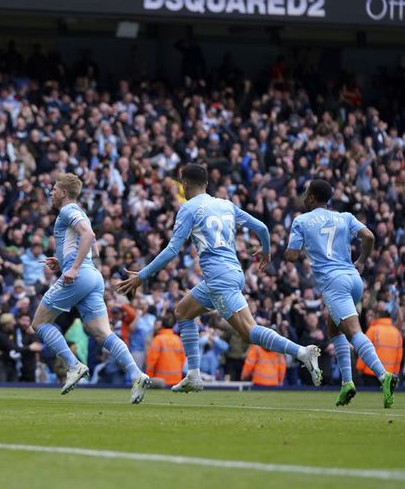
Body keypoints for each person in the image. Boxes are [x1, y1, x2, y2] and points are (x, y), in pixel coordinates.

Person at [118, 164, 322, 394]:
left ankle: (302, 352)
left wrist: (142, 276)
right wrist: (265, 251)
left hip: (218, 279)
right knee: (183, 312)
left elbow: (172, 250)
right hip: (233, 273)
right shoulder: (226, 204)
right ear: (206, 184)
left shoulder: (189, 209)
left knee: (249, 331)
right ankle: (193, 375)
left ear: (184, 184)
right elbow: (263, 228)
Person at [30, 173, 150, 404]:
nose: (52, 193)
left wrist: (73, 268)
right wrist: (62, 262)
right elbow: (90, 247)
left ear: (64, 193)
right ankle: (137, 374)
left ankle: (73, 365)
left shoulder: (68, 210)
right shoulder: (79, 212)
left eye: (55, 189)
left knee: (40, 323)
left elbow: (89, 234)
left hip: (81, 275)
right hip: (92, 276)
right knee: (102, 333)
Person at [285, 179, 398, 408]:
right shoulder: (345, 216)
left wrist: (296, 246)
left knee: (353, 331)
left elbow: (291, 257)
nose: (303, 196)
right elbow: (369, 236)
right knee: (333, 325)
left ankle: (383, 375)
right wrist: (363, 261)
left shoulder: (301, 221)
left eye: (306, 192)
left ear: (311, 198)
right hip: (353, 279)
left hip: (333, 282)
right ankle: (347, 382)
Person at [356, 306, 403, 388]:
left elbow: (364, 351)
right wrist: (395, 371)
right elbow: (399, 357)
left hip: (370, 373)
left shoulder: (373, 330)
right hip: (389, 374)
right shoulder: (397, 333)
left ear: (377, 317)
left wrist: (359, 368)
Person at [145, 314, 185, 387]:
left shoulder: (158, 340)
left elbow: (151, 361)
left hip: (161, 381)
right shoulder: (178, 340)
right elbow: (183, 360)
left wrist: (149, 378)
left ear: (162, 326)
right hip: (176, 380)